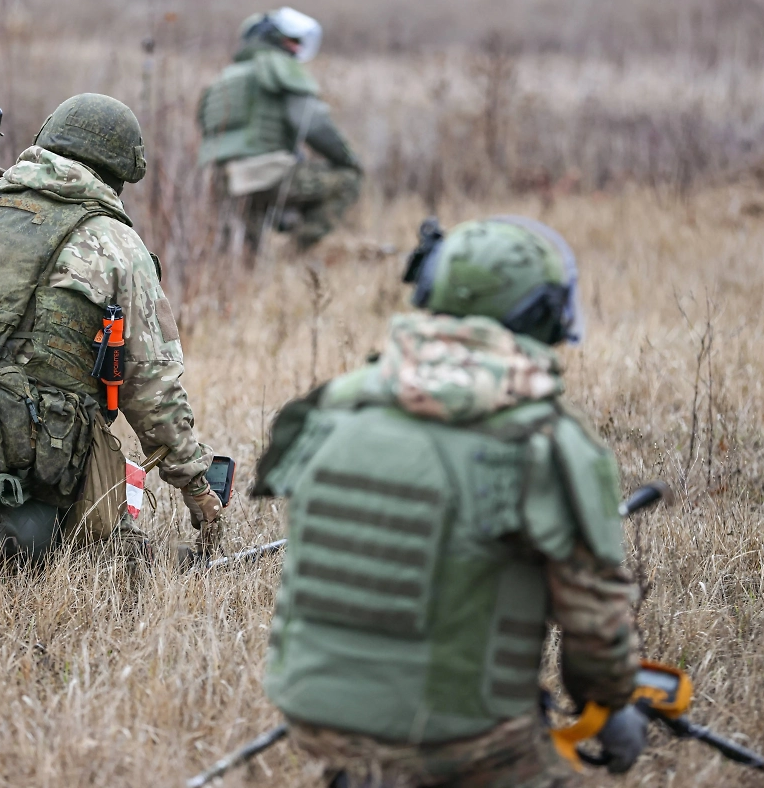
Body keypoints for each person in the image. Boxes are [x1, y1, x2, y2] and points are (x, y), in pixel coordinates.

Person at [252, 217, 645, 787]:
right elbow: (595, 625)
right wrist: (611, 708)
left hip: (313, 716)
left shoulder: (336, 406)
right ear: (539, 315)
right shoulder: (543, 438)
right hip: (459, 737)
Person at [0, 94, 222, 578]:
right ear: (118, 171)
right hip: (43, 461)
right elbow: (152, 387)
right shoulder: (117, 244)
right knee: (113, 552)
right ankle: (98, 547)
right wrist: (196, 486)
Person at [197, 7, 362, 255]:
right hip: (266, 177)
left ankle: (249, 269)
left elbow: (205, 128)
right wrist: (348, 160)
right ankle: (292, 257)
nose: (296, 48)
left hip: (219, 181)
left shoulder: (222, 78)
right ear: (271, 39)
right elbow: (314, 123)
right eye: (292, 40)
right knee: (348, 180)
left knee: (246, 255)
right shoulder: (277, 66)